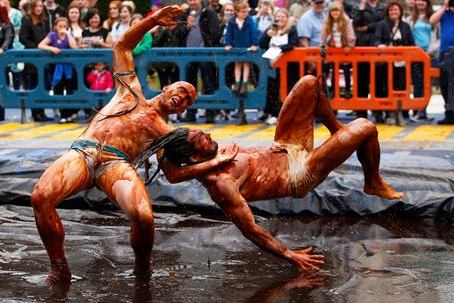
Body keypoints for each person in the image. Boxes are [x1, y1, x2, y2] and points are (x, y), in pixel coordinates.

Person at [30, 6, 220, 286]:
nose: (182, 96)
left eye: (188, 99)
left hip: (115, 165)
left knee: (144, 216)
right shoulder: (129, 89)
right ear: (166, 88)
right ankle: (60, 267)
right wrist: (152, 21)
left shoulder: (167, 133)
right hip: (84, 151)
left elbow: (173, 172)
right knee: (40, 196)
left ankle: (142, 268)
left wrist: (217, 161)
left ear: (183, 110)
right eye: (180, 89)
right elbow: (121, 46)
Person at [150, 75, 404, 271]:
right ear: (194, 157)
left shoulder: (210, 151)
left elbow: (174, 161)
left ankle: (337, 129)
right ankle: (373, 181)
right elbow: (250, 229)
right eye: (202, 139)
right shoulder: (221, 183)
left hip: (285, 145)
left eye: (202, 133)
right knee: (365, 127)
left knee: (309, 83)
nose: (208, 134)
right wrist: (289, 254)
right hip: (300, 172)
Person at [174, 0, 222, 123]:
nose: (193, 2)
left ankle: (210, 113)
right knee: (188, 86)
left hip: (205, 55)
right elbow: (177, 34)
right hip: (188, 55)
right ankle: (190, 113)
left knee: (208, 84)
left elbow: (216, 33)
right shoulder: (185, 14)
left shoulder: (209, 13)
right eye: (191, 0)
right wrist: (187, 26)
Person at [374, 1, 414, 124]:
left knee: (401, 87)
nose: (393, 12)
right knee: (386, 87)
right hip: (386, 63)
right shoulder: (382, 24)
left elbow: (411, 43)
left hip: (401, 63)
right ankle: (389, 113)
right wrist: (380, 45)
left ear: (400, 12)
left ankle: (401, 113)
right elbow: (376, 39)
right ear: (388, 12)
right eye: (391, 10)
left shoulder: (405, 26)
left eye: (396, 10)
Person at [429, 0, 454, 125]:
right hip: (445, 52)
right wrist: (445, 7)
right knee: (445, 85)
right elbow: (432, 21)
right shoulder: (443, 11)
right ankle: (449, 114)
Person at [259, 8, 299, 125]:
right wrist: (267, 35)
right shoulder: (271, 29)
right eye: (278, 16)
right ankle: (274, 114)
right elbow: (261, 43)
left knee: (288, 91)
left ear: (287, 18)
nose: (280, 19)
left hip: (289, 67)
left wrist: (279, 49)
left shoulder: (292, 30)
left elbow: (293, 44)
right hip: (273, 66)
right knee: (273, 90)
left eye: (283, 17)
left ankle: (289, 115)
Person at [38, 17, 78, 123]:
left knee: (69, 90)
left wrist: (68, 34)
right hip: (56, 67)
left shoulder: (70, 35)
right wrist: (51, 48)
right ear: (55, 27)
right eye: (60, 26)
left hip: (68, 67)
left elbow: (74, 47)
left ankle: (70, 114)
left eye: (64, 26)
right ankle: (62, 114)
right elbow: (41, 45)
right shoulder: (52, 35)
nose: (62, 28)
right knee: (58, 90)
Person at [19, 0, 52, 122]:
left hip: (44, 57)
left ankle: (41, 112)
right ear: (32, 7)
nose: (38, 8)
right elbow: (22, 38)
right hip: (33, 57)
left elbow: (48, 36)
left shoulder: (44, 20)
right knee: (34, 85)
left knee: (44, 84)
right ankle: (35, 112)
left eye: (40, 6)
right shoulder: (27, 20)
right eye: (36, 6)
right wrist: (35, 47)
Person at [352, 0, 385, 120]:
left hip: (378, 46)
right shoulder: (357, 7)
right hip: (362, 46)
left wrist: (368, 27)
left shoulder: (383, 7)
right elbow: (356, 23)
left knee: (379, 81)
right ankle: (361, 112)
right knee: (362, 81)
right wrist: (361, 8)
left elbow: (383, 23)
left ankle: (378, 111)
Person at [320, 1, 355, 98]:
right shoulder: (327, 22)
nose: (335, 13)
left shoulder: (346, 20)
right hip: (333, 50)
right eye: (333, 11)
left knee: (346, 71)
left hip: (344, 49)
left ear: (340, 12)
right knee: (333, 71)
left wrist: (349, 45)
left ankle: (347, 89)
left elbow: (350, 33)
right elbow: (323, 36)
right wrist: (323, 46)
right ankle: (333, 90)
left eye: (337, 11)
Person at [408, 0, 436, 122]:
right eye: (419, 0)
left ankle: (424, 111)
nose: (421, 3)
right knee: (418, 84)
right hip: (416, 55)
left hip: (429, 54)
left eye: (423, 1)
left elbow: (437, 35)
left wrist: (432, 50)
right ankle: (418, 111)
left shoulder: (433, 17)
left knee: (427, 84)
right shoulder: (411, 18)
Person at [224, 2, 260, 96]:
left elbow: (253, 32)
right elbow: (229, 34)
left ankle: (244, 83)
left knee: (246, 63)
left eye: (246, 11)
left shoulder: (249, 20)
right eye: (243, 12)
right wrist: (228, 44)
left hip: (247, 46)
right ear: (236, 12)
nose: (245, 13)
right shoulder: (232, 21)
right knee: (237, 63)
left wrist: (255, 44)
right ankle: (237, 82)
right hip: (236, 46)